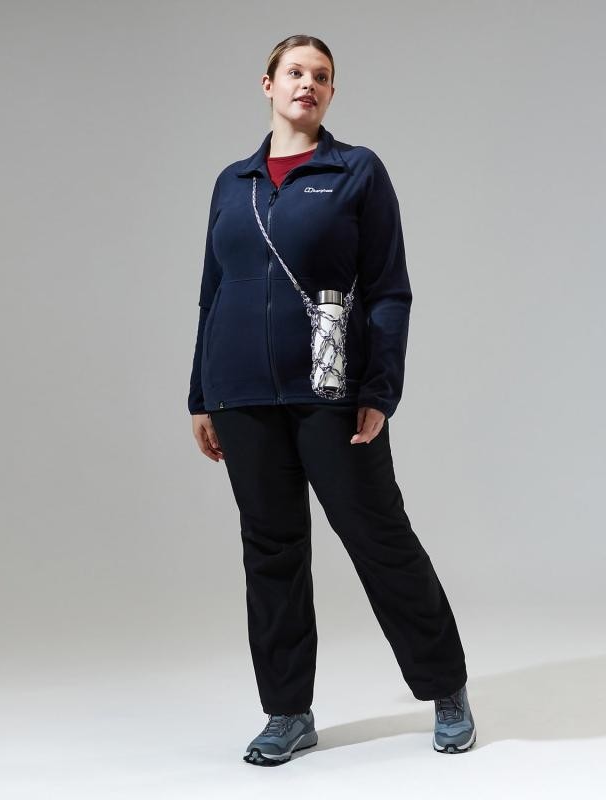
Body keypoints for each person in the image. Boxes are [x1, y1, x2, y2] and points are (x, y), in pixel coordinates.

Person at [188, 34, 476, 766]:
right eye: (294, 72)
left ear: (331, 92)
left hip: (330, 389)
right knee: (270, 550)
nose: (306, 84)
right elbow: (212, 294)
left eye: (320, 76)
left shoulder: (355, 171)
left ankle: (446, 689)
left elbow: (388, 288)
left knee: (378, 536)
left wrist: (380, 388)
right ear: (267, 84)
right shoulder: (233, 183)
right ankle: (287, 712)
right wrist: (200, 393)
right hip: (241, 394)